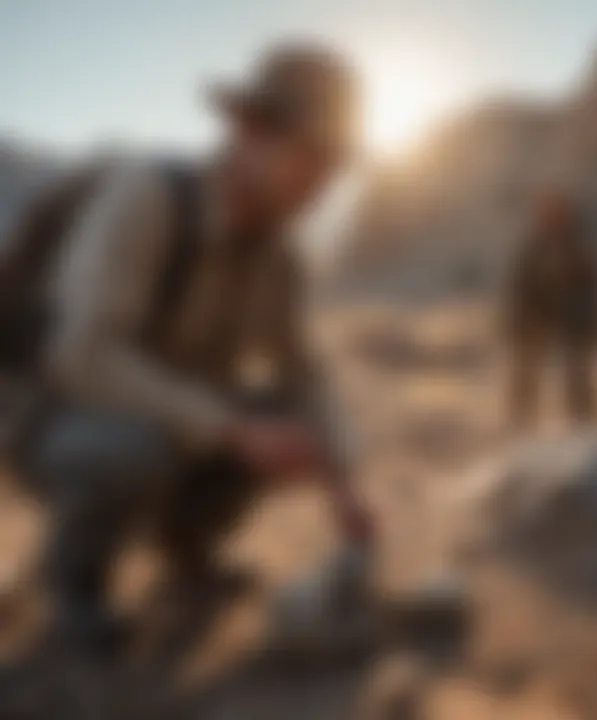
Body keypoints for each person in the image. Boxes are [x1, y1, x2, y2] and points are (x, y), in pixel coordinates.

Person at [8, 42, 374, 657]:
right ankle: (72, 583)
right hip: (51, 412)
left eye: (334, 164)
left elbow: (304, 373)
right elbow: (80, 355)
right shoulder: (146, 198)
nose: (322, 183)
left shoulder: (279, 256)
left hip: (158, 411)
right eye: (310, 156)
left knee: (278, 423)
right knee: (138, 448)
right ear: (249, 130)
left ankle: (188, 544)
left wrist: (343, 479)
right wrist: (232, 429)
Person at [504, 192, 597, 429]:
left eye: (558, 214)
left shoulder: (578, 250)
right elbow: (520, 287)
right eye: (549, 214)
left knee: (578, 377)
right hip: (538, 319)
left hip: (572, 320)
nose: (554, 219)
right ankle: (520, 422)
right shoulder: (535, 248)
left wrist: (593, 320)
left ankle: (585, 426)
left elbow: (594, 289)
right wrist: (518, 321)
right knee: (526, 373)